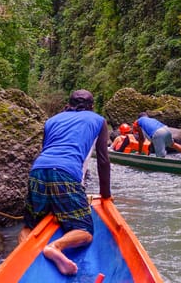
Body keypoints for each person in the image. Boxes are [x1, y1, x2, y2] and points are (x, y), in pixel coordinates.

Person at [18, 89, 111, 276]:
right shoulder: (98, 120)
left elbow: (47, 149)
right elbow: (103, 160)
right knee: (84, 231)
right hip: (66, 173)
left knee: (29, 225)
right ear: (91, 107)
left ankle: (22, 259)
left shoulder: (51, 121)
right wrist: (106, 195)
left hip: (38, 170)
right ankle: (55, 246)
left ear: (67, 105)